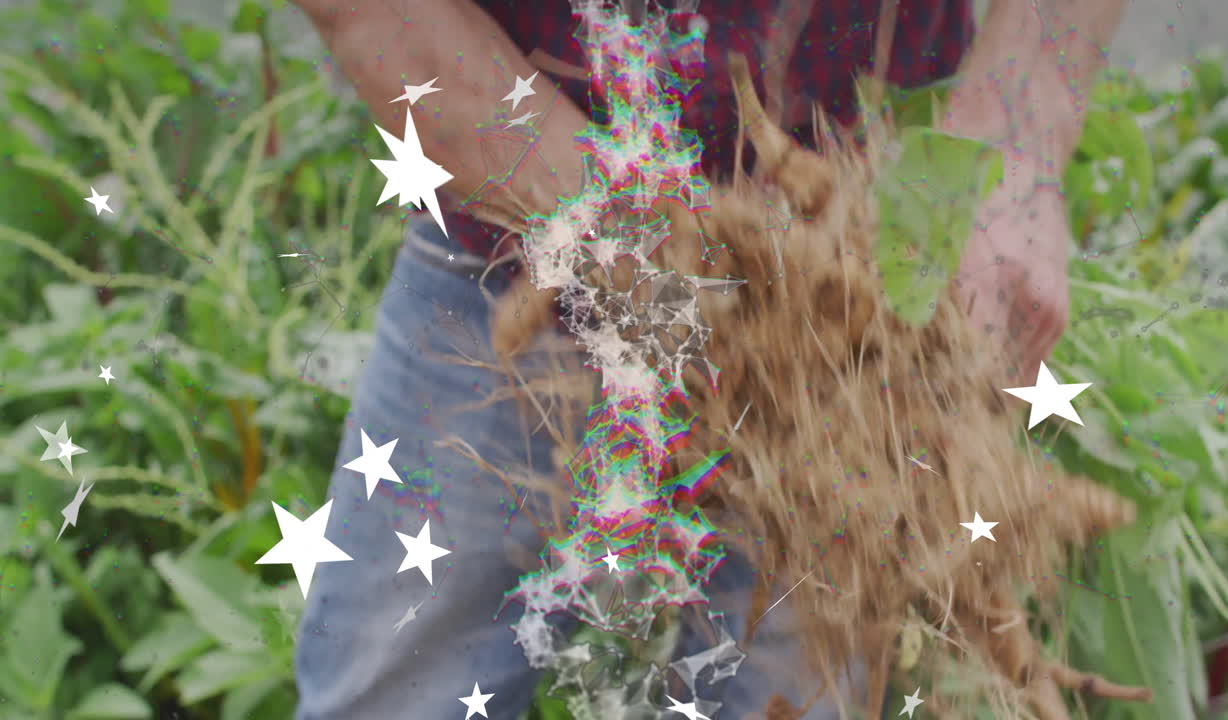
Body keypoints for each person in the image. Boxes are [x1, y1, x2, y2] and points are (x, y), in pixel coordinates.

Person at [286, 1, 1126, 718]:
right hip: (510, 239)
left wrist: (1015, 143)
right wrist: (571, 196)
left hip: (866, 307)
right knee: (390, 688)